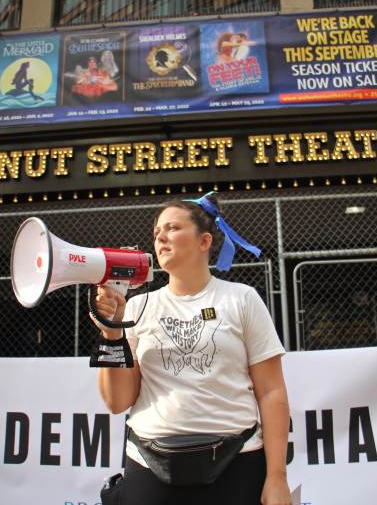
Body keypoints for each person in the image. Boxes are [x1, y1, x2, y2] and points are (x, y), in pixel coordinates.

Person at [92, 192, 291, 504]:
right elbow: (118, 401)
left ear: (204, 241)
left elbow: (272, 392)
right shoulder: (136, 307)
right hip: (148, 463)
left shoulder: (241, 299)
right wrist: (111, 334)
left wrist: (277, 477)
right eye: (157, 232)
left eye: (172, 228)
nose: (161, 238)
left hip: (238, 461)